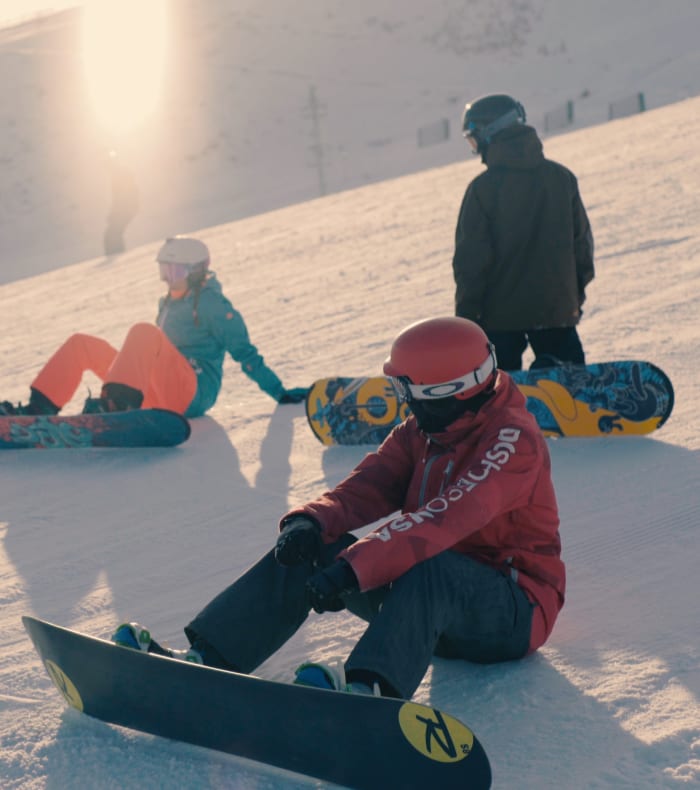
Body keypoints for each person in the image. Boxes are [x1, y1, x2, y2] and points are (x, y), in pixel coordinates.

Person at [113, 317, 565, 700]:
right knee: (319, 546)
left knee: (435, 566)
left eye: (408, 388)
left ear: (449, 389)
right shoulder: (424, 430)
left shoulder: (512, 440)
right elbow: (367, 486)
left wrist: (354, 569)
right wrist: (312, 522)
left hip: (511, 611)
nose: (402, 399)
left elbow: (443, 520)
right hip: (425, 611)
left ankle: (369, 693)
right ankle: (210, 660)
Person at [0, 236, 309, 417]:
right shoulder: (170, 303)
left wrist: (279, 392)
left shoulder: (213, 305)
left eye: (174, 272)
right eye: (164, 271)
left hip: (194, 391)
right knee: (82, 344)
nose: (167, 279)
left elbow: (244, 352)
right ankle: (37, 411)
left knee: (144, 332)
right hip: (159, 386)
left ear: (196, 272)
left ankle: (116, 406)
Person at [452, 93, 595, 371]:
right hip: (556, 310)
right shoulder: (561, 178)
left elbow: (471, 262)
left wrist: (467, 317)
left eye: (474, 139)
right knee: (567, 379)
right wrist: (572, 299)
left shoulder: (483, 189)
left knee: (495, 388)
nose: (475, 148)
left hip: (498, 317)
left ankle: (502, 403)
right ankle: (556, 371)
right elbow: (582, 247)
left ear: (490, 133)